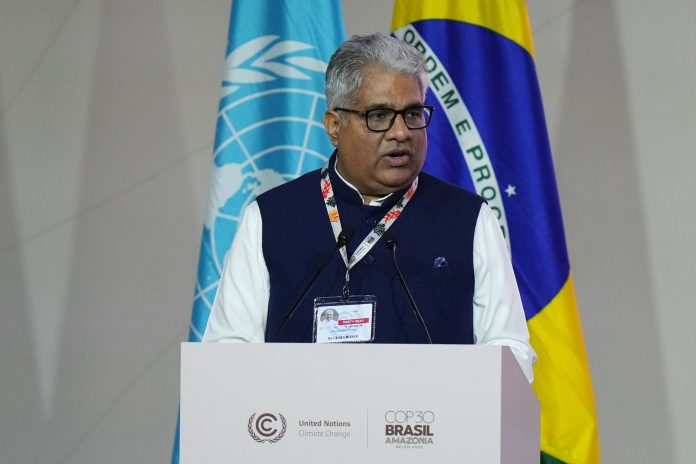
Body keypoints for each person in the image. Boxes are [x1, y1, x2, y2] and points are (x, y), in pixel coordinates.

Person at [203, 33, 537, 382]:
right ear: (335, 126)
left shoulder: (467, 218)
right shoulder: (271, 218)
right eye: (379, 116)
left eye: (412, 114)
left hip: (428, 415)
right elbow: (228, 351)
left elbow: (508, 346)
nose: (401, 132)